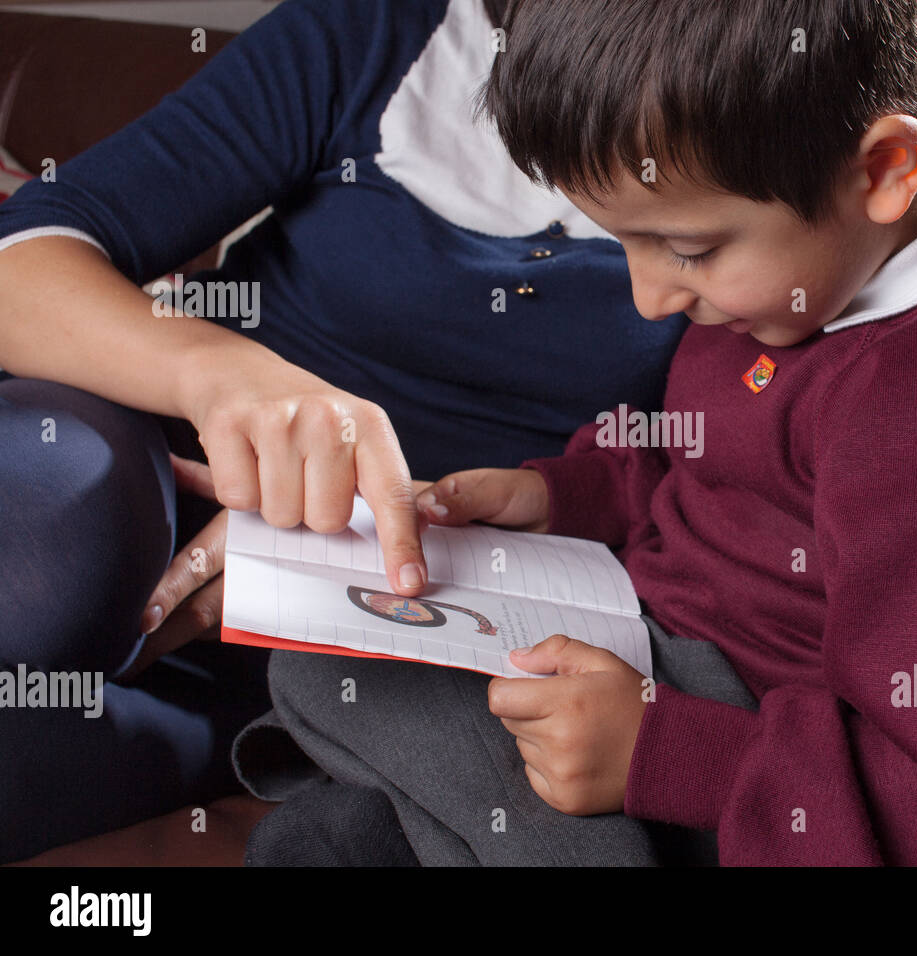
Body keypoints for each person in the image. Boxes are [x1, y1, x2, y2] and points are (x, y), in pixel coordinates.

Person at [232, 0, 917, 865]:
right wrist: (572, 494)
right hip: (645, 646)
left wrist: (662, 754)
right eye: (623, 243)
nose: (651, 301)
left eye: (688, 250)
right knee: (319, 818)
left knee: (357, 705)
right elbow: (722, 465)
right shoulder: (812, 274)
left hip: (755, 763)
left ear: (886, 169)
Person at [0, 0, 686, 863]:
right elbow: (24, 256)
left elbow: (724, 487)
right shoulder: (376, 31)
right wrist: (230, 380)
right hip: (167, 480)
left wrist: (337, 548)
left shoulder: (768, 120)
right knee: (54, 528)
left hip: (402, 622)